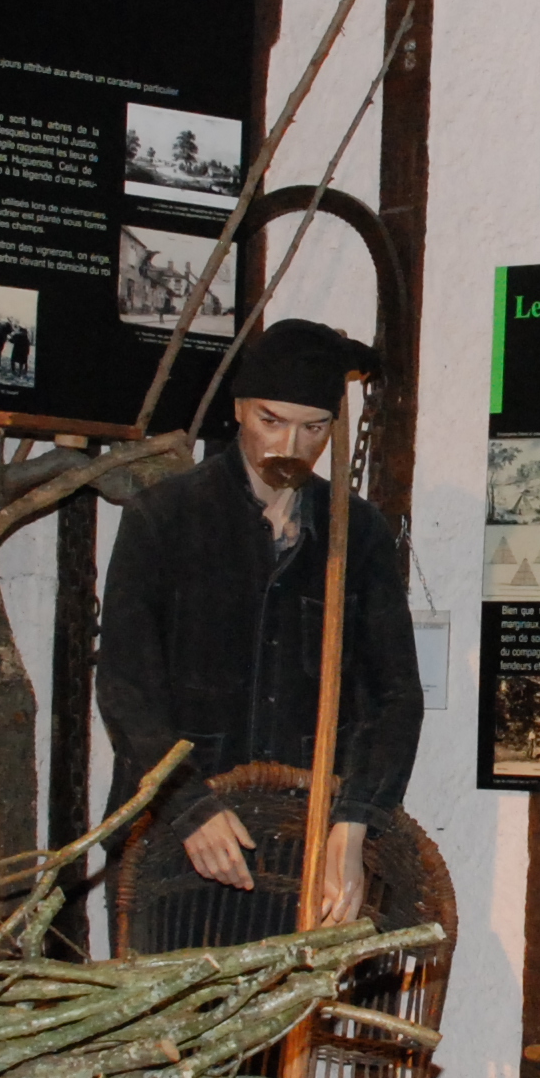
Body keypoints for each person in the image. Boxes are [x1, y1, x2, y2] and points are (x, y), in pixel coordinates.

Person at [96, 318, 421, 946]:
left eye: (314, 428)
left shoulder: (358, 534)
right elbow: (126, 688)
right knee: (173, 1037)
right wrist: (187, 804)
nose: (290, 446)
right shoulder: (164, 521)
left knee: (281, 1036)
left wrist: (353, 824)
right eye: (271, 421)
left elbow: (395, 697)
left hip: (304, 842)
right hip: (173, 844)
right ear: (240, 409)